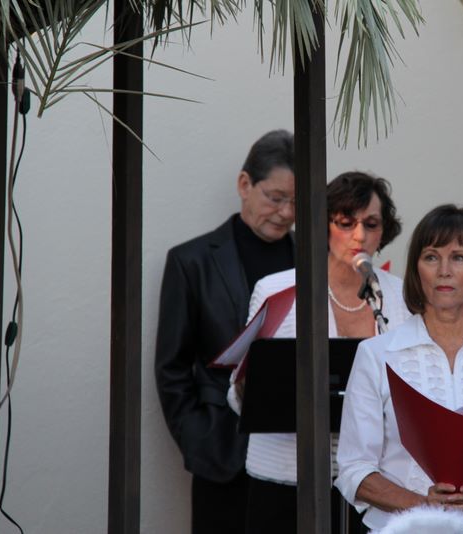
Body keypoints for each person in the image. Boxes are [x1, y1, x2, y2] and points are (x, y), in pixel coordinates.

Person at [336, 204, 463, 532]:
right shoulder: (377, 355)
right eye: (431, 257)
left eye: (459, 257)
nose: (444, 270)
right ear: (416, 269)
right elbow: (353, 469)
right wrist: (422, 504)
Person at [227, 171, 410, 533]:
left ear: (383, 231)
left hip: (373, 485)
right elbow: (239, 390)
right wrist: (249, 386)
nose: (359, 236)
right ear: (323, 225)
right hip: (284, 479)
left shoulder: (402, 298)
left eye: (371, 224)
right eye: (345, 222)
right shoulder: (276, 290)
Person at [154, 129, 295, 534]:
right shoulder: (191, 261)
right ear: (244, 184)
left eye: (297, 202)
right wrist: (197, 438)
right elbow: (171, 367)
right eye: (276, 198)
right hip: (222, 454)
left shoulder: (316, 261)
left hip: (295, 455)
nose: (286, 213)